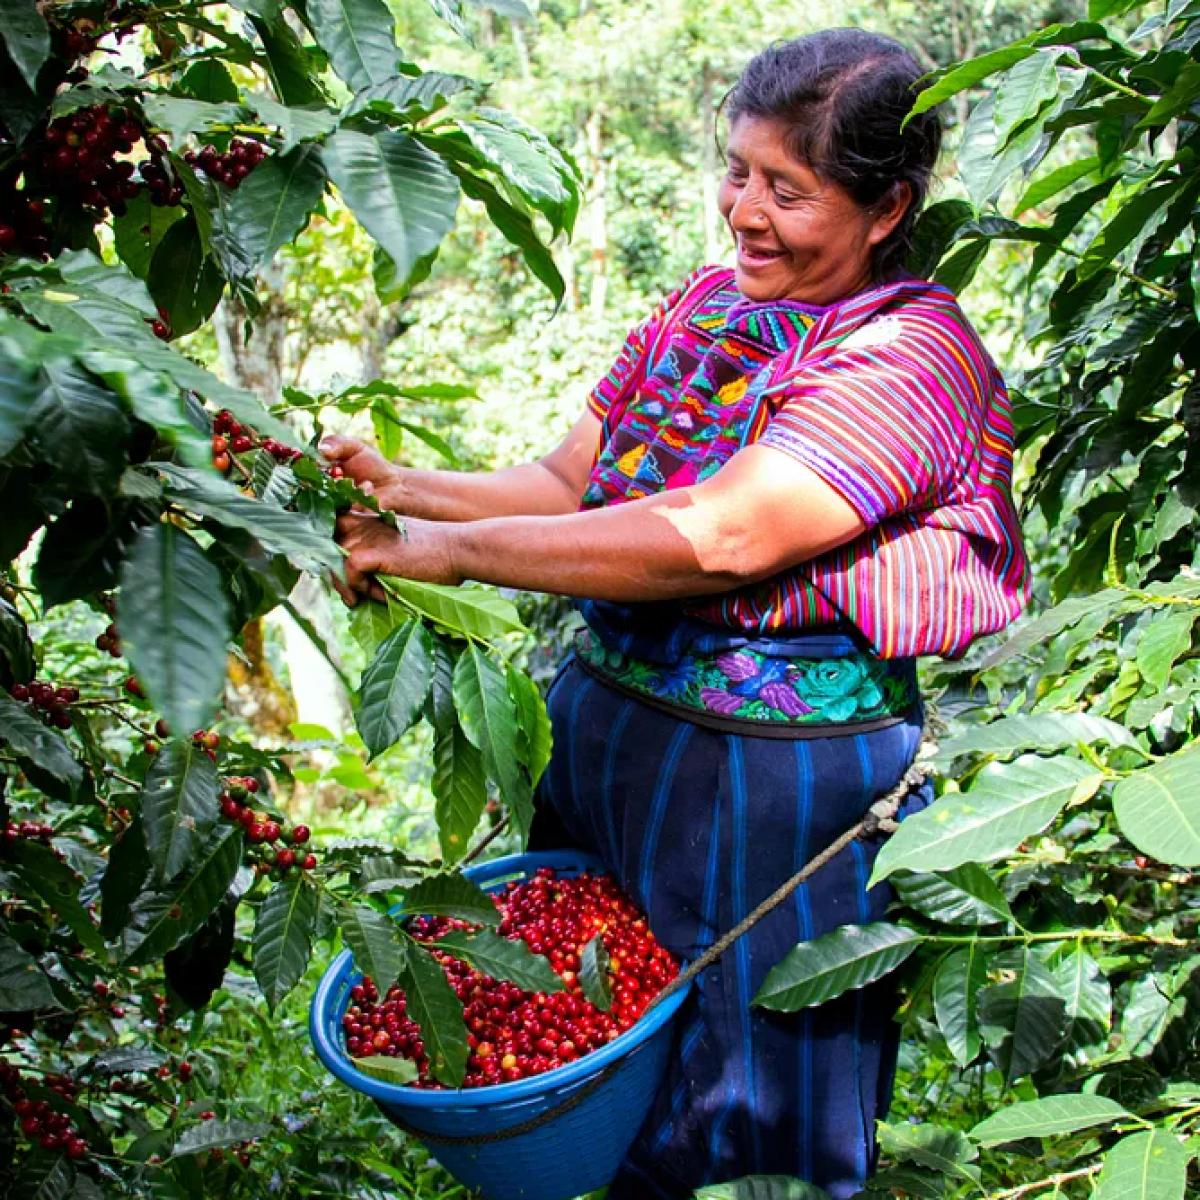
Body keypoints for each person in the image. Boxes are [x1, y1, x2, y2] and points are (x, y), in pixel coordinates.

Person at [324, 27, 1030, 1199]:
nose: (744, 211)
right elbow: (565, 486)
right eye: (740, 172)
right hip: (606, 742)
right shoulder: (710, 304)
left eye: (788, 191)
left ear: (888, 206)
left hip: (769, 791)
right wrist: (398, 489)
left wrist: (445, 554)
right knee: (585, 1039)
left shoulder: (916, 359)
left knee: (754, 1098)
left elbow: (725, 535)